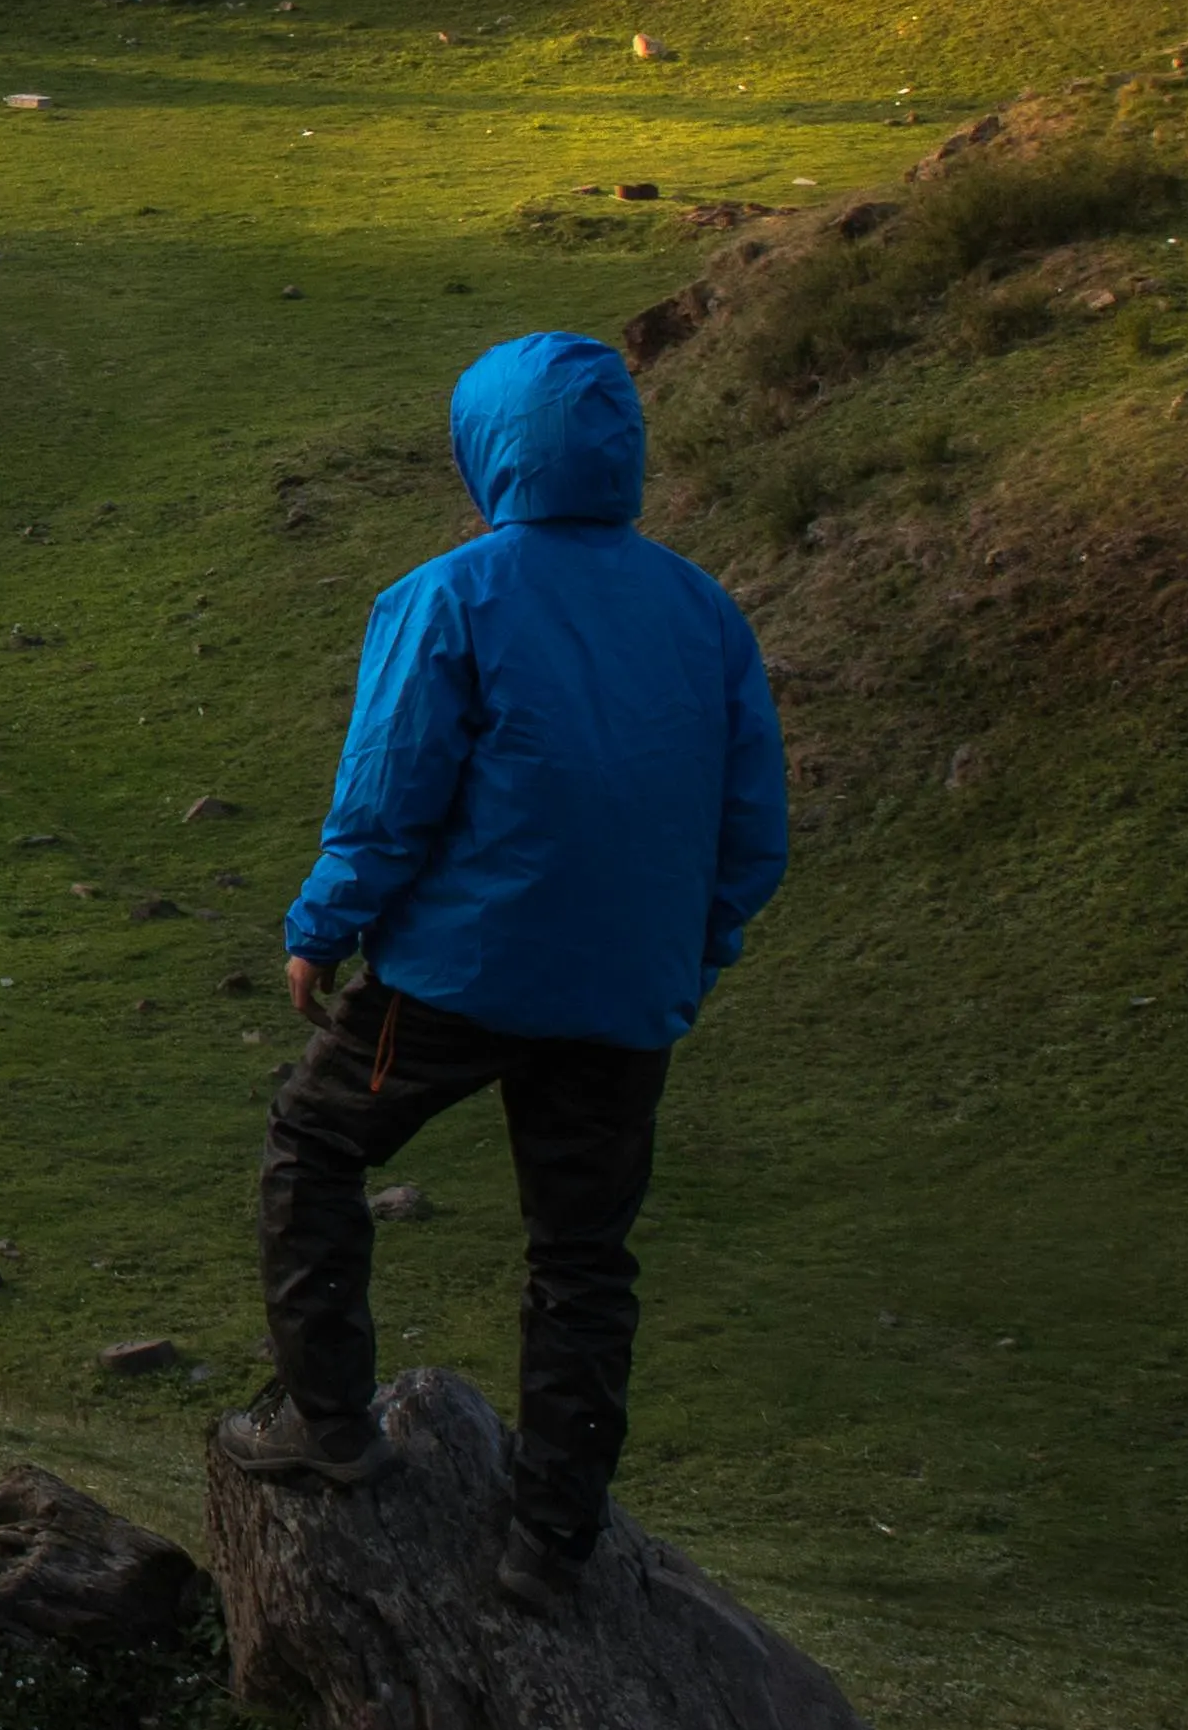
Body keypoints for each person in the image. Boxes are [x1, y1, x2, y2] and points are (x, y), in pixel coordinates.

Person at [213, 331, 791, 1611]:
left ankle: (329, 1423)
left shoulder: (448, 596)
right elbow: (752, 833)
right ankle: (549, 1544)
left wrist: (323, 925)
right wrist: (688, 957)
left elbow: (389, 796)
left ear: (488, 451)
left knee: (313, 1147)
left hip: (454, 977)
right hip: (622, 998)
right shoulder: (702, 612)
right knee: (582, 1255)